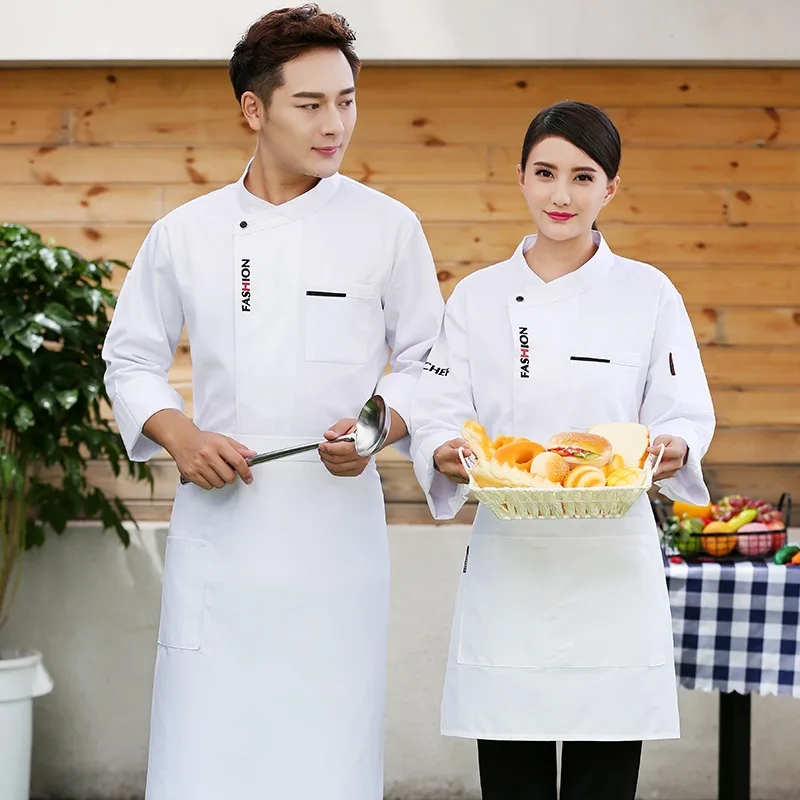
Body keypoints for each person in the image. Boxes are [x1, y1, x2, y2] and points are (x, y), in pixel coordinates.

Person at [102, 6, 444, 799]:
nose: (336, 124)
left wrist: (373, 427)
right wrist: (178, 431)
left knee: (326, 757)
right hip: (221, 542)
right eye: (312, 104)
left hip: (335, 549)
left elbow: (433, 364)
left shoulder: (388, 229)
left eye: (348, 100)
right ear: (254, 109)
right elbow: (130, 357)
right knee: (205, 760)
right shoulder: (186, 233)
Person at [408, 100, 716, 800]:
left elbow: (684, 412)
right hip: (508, 560)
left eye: (583, 177)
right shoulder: (478, 298)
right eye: (545, 172)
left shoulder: (648, 293)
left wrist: (670, 447)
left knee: (603, 780)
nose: (560, 194)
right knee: (510, 777)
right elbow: (438, 409)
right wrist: (444, 450)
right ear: (520, 177)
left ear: (610, 188)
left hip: (612, 562)